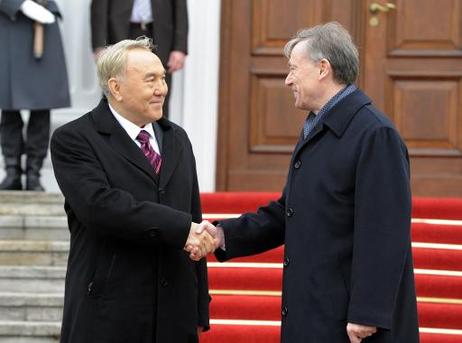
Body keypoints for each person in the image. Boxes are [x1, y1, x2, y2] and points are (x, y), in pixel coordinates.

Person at [191, 22, 420, 342]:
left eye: (293, 69)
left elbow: (385, 231)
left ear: (323, 68)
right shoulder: (318, 129)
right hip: (317, 312)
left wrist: (367, 313)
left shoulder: (373, 134)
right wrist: (222, 234)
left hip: (352, 325)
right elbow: (289, 212)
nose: (287, 80)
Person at [51, 38, 214, 343]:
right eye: (150, 80)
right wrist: (182, 228)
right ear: (116, 87)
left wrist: (198, 309)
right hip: (108, 315)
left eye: (163, 78)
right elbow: (101, 207)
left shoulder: (177, 138)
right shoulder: (74, 139)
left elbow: (194, 215)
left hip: (174, 316)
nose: (161, 89)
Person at [0, 0, 70, 191]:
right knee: (8, 106)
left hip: (43, 22)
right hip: (10, 23)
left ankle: (34, 173)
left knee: (42, 105)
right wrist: (20, 4)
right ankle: (12, 171)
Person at [90, 0, 188, 118]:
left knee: (159, 94)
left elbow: (180, 7)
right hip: (120, 33)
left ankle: (157, 135)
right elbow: (99, 7)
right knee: (115, 91)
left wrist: (179, 47)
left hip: (160, 36)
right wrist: (100, 45)